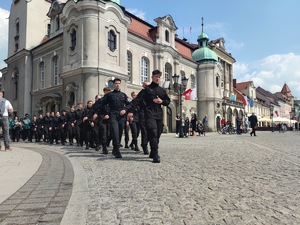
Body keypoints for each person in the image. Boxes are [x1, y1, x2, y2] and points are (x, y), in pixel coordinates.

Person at [127, 70, 170, 163]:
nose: (157, 78)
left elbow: (168, 101)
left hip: (159, 113)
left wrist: (161, 101)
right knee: (153, 132)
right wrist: (130, 111)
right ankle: (155, 153)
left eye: (159, 77)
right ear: (152, 77)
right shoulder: (146, 90)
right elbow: (136, 101)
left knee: (158, 133)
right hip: (149, 113)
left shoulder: (162, 90)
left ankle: (152, 151)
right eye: (156, 76)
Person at [101, 78, 130, 158]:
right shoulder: (110, 95)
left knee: (120, 132)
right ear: (113, 84)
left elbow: (129, 104)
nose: (117, 85)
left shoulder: (123, 95)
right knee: (115, 132)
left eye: (119, 83)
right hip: (113, 115)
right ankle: (117, 150)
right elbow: (102, 104)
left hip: (121, 116)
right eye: (116, 83)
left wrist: (125, 110)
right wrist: (106, 113)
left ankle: (114, 148)